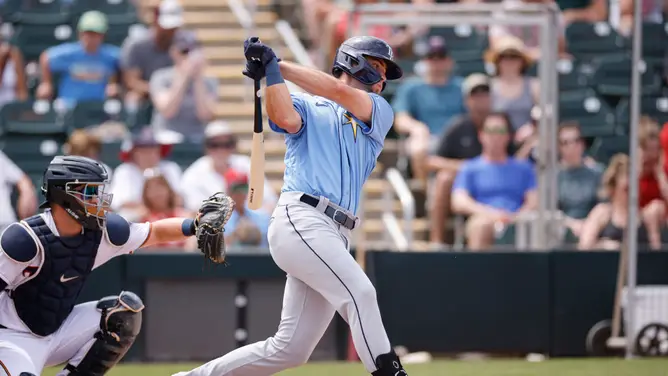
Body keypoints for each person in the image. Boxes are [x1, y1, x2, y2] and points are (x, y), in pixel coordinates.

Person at [173, 35, 408, 376]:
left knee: (290, 349)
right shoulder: (308, 105)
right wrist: (271, 74)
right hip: (303, 217)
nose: (383, 77)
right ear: (353, 62)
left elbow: (340, 93)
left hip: (335, 231)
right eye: (377, 66)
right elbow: (284, 117)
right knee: (360, 293)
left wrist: (275, 64)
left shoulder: (379, 112)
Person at [0, 155, 215, 375]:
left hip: (58, 330)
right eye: (90, 192)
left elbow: (155, 231)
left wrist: (196, 224)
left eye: (99, 191)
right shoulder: (24, 240)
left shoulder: (104, 233)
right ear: (63, 195)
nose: (98, 199)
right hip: (14, 337)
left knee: (123, 313)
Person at [451, 112, 538, 251]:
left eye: (500, 131)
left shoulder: (523, 167)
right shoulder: (470, 167)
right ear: (481, 135)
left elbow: (534, 200)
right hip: (484, 217)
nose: (495, 136)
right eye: (490, 130)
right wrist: (490, 214)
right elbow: (459, 201)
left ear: (508, 136)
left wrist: (516, 217)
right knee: (480, 226)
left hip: (518, 219)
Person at [37, 11, 120, 106]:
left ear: (103, 35)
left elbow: (124, 65)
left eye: (95, 34)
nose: (91, 38)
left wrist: (114, 86)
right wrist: (46, 83)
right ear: (80, 34)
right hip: (69, 104)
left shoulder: (111, 55)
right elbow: (46, 57)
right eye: (87, 33)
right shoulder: (69, 52)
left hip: (99, 106)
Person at [149, 32, 218, 141]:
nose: (188, 56)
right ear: (173, 52)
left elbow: (205, 115)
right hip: (166, 133)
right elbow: (168, 111)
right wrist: (184, 75)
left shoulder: (209, 81)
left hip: (197, 136)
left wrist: (197, 79)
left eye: (193, 51)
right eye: (184, 51)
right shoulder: (160, 77)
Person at [578, 154, 655, 250]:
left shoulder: (646, 218)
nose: (632, 194)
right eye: (626, 189)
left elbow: (655, 253)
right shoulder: (602, 213)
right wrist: (604, 245)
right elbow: (584, 246)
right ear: (613, 187)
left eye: (635, 188)